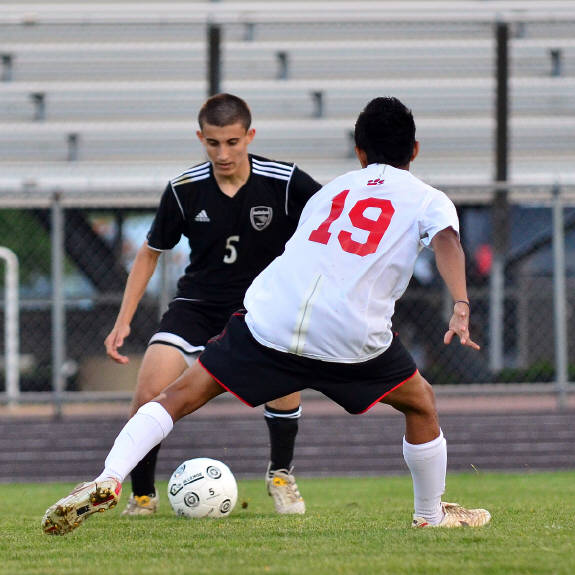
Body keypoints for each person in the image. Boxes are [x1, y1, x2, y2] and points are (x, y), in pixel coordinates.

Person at [42, 96, 491, 535]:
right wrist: (460, 304)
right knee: (420, 402)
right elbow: (447, 241)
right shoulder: (428, 198)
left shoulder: (332, 190)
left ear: (359, 152)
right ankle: (430, 514)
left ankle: (109, 477)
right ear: (415, 150)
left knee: (177, 396)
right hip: (348, 330)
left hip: (272, 317)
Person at [103, 93, 321, 517]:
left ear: (250, 136)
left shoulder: (285, 181)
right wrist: (123, 320)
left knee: (284, 379)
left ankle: (280, 476)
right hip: (197, 306)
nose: (223, 153)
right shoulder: (184, 190)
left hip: (261, 307)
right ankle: (143, 496)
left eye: (232, 142)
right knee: (148, 391)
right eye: (213, 143)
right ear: (200, 138)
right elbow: (149, 252)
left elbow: (331, 218)